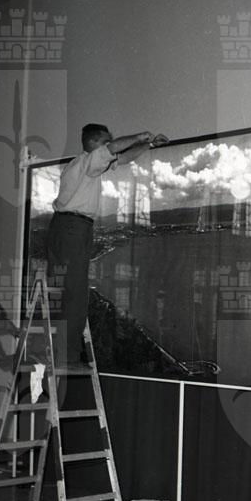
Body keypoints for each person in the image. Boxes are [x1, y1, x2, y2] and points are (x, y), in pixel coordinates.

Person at [46, 123, 168, 365]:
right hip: (72, 228)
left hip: (70, 227)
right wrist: (139, 135)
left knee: (68, 289)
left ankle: (61, 350)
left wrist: (149, 145)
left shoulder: (90, 167)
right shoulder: (86, 163)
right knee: (75, 291)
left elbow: (122, 158)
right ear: (93, 143)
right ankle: (67, 355)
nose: (110, 146)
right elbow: (113, 150)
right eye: (105, 142)